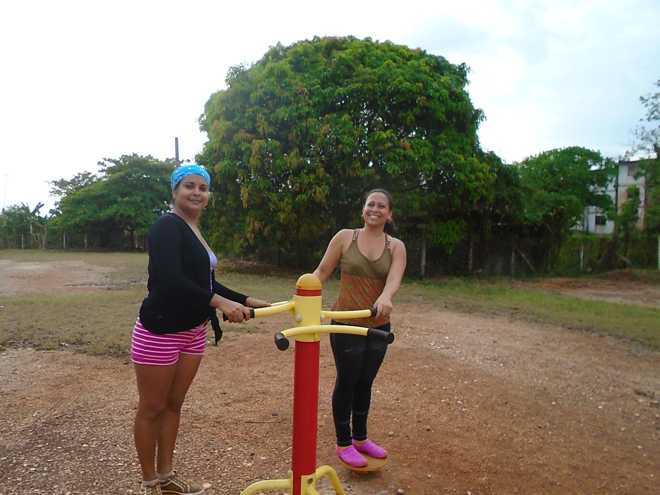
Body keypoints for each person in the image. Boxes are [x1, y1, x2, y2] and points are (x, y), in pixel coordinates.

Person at [131, 163, 269, 495]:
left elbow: (206, 282)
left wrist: (249, 300)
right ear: (175, 191)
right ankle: (150, 483)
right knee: (152, 407)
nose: (196, 192)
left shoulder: (193, 229)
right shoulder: (167, 226)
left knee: (174, 405)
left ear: (208, 195)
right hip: (160, 331)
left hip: (193, 331)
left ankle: (167, 478)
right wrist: (220, 304)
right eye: (189, 186)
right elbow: (169, 281)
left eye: (202, 188)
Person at [313, 188, 407, 468]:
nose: (374, 209)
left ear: (389, 214)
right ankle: (344, 442)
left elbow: (394, 278)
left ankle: (361, 438)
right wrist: (304, 290)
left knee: (366, 381)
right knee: (348, 380)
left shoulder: (396, 246)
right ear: (363, 209)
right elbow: (321, 272)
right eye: (370, 204)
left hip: (378, 325)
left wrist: (386, 296)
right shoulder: (345, 237)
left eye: (381, 206)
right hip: (346, 323)